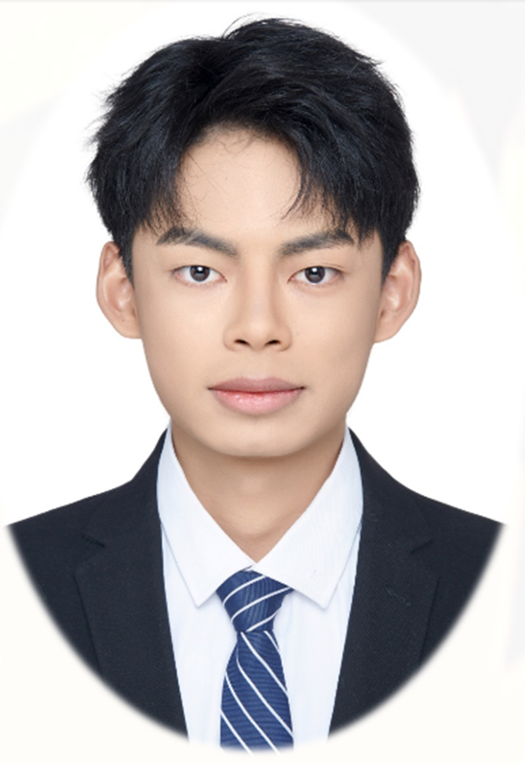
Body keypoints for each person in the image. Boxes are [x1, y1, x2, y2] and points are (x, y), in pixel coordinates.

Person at [11, 17, 499, 751]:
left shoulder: (498, 590)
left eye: (314, 272)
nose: (258, 327)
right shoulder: (20, 588)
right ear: (122, 290)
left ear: (392, 292)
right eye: (200, 271)